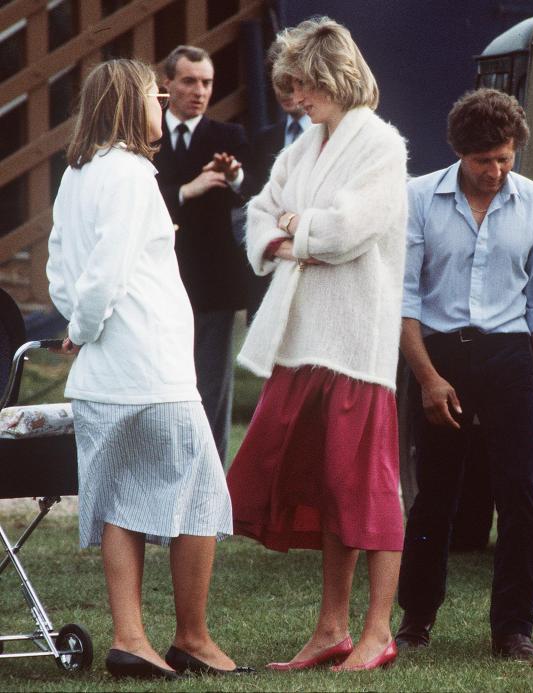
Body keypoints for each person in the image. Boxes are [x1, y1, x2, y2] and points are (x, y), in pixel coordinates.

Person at [45, 59, 247, 679]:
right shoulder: (132, 175)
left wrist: (78, 327)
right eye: (156, 94)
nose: (163, 103)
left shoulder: (76, 175)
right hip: (151, 368)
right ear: (132, 104)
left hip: (105, 376)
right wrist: (84, 327)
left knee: (121, 502)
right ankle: (192, 637)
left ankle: (132, 638)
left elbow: (60, 270)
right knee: (202, 494)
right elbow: (106, 272)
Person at [224, 16, 407, 672]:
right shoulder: (302, 150)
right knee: (322, 482)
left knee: (365, 485)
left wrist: (295, 231)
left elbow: (349, 231)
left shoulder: (382, 145)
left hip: (357, 342)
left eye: (302, 85)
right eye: (290, 87)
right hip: (301, 341)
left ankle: (378, 629)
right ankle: (331, 627)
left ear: (331, 75)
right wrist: (290, 232)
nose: (295, 99)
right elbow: (257, 217)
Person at [394, 88, 533, 664]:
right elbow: (404, 299)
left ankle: (514, 629)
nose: (494, 171)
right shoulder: (418, 198)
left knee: (519, 496)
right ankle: (415, 620)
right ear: (458, 153)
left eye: (505, 158)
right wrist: (427, 378)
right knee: (435, 495)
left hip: (510, 357)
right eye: (482, 161)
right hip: (438, 355)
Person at [154, 45, 249, 463]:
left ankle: (209, 497)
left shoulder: (230, 138)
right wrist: (184, 192)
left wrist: (236, 177)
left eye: (206, 83)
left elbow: (261, 197)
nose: (199, 91)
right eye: (189, 81)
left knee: (211, 392)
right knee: (162, 389)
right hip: (159, 283)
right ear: (167, 83)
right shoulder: (147, 135)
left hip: (213, 287)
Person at [242, 47, 312, 323]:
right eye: (277, 82)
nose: (285, 91)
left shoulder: (334, 138)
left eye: (291, 81)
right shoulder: (263, 139)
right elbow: (257, 204)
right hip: (274, 265)